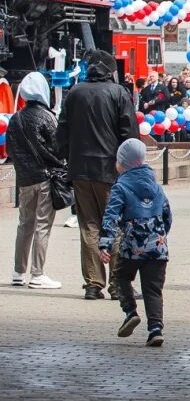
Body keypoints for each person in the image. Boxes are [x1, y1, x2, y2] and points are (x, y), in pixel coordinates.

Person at [58, 49, 139, 299]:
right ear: (109, 70)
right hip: (111, 170)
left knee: (89, 226)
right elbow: (129, 134)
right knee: (114, 224)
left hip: (80, 170)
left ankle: (93, 283)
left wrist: (67, 157)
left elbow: (62, 131)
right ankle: (118, 283)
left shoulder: (74, 92)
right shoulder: (118, 93)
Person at [99, 139, 172, 348]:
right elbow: (167, 215)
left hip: (132, 245)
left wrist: (106, 244)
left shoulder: (120, 186)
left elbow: (110, 217)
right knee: (153, 289)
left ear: (123, 163)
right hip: (158, 247)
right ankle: (155, 329)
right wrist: (160, 236)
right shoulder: (156, 186)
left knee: (120, 276)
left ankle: (130, 312)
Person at [9, 72, 65, 289]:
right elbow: (58, 146)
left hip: (24, 179)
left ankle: (18, 271)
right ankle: (37, 273)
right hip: (45, 178)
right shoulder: (47, 117)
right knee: (42, 225)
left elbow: (12, 150)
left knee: (24, 224)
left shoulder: (15, 118)